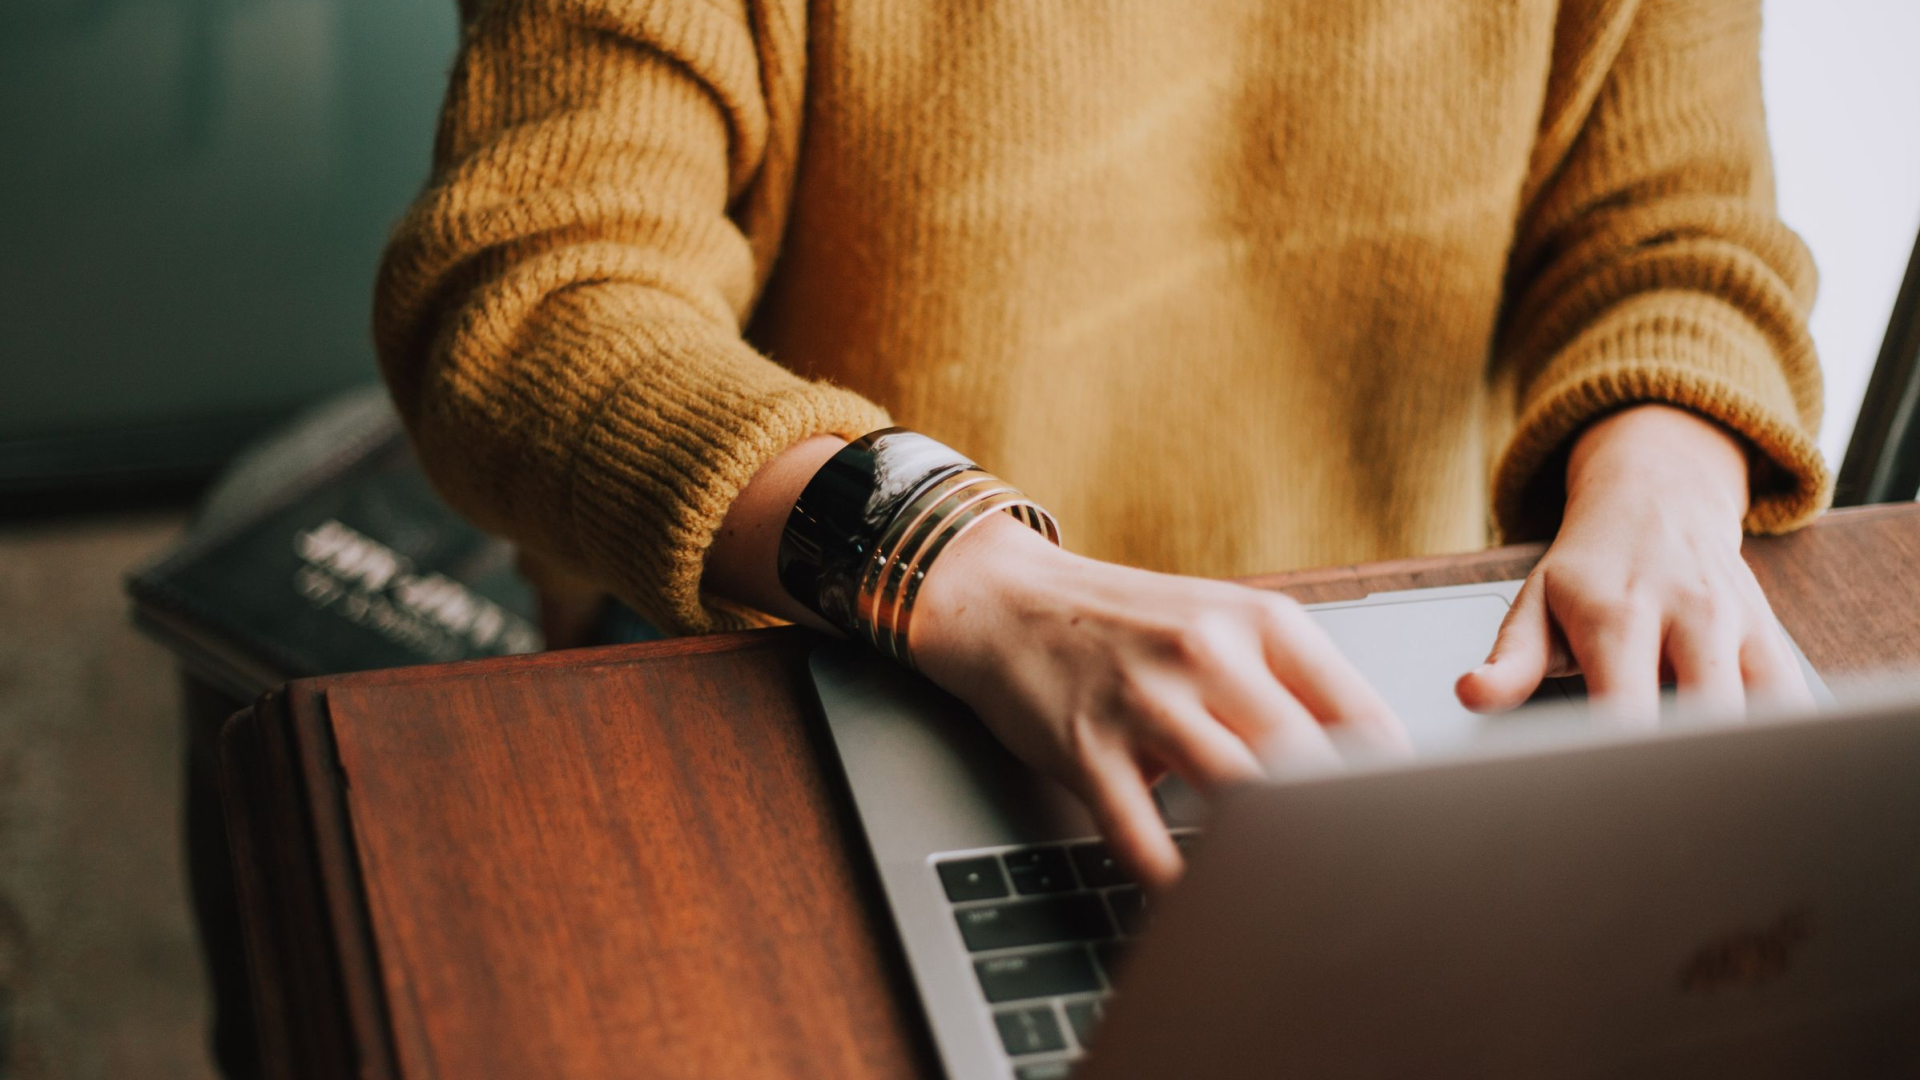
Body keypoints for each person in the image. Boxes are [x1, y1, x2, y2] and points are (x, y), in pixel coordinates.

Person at [374, 0, 1826, 889]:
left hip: (1383, 701)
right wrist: (956, 565)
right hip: (836, 654)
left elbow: (1678, 237)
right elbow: (532, 294)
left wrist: (1668, 472)